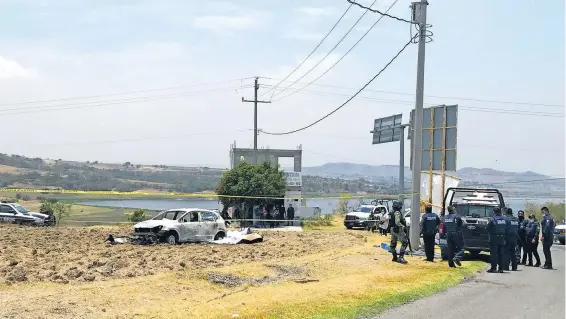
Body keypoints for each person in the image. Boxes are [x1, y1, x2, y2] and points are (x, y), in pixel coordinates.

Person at [486, 207, 507, 273]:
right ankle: (501, 268)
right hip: (502, 238)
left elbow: (487, 228)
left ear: (494, 212)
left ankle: (493, 268)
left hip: (494, 238)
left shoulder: (493, 219)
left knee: (494, 254)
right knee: (501, 254)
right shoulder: (504, 219)